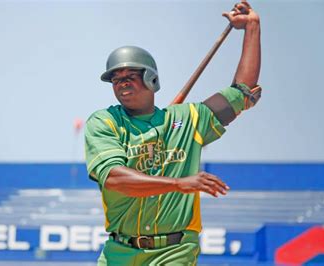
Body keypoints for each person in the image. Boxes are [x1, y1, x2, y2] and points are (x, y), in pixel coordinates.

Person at [84, 1, 261, 265]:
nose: (123, 82)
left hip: (174, 251)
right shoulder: (105, 122)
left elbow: (243, 92)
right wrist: (179, 183)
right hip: (119, 251)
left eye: (131, 74)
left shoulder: (188, 119)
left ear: (151, 79)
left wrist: (252, 28)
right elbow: (114, 178)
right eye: (116, 78)